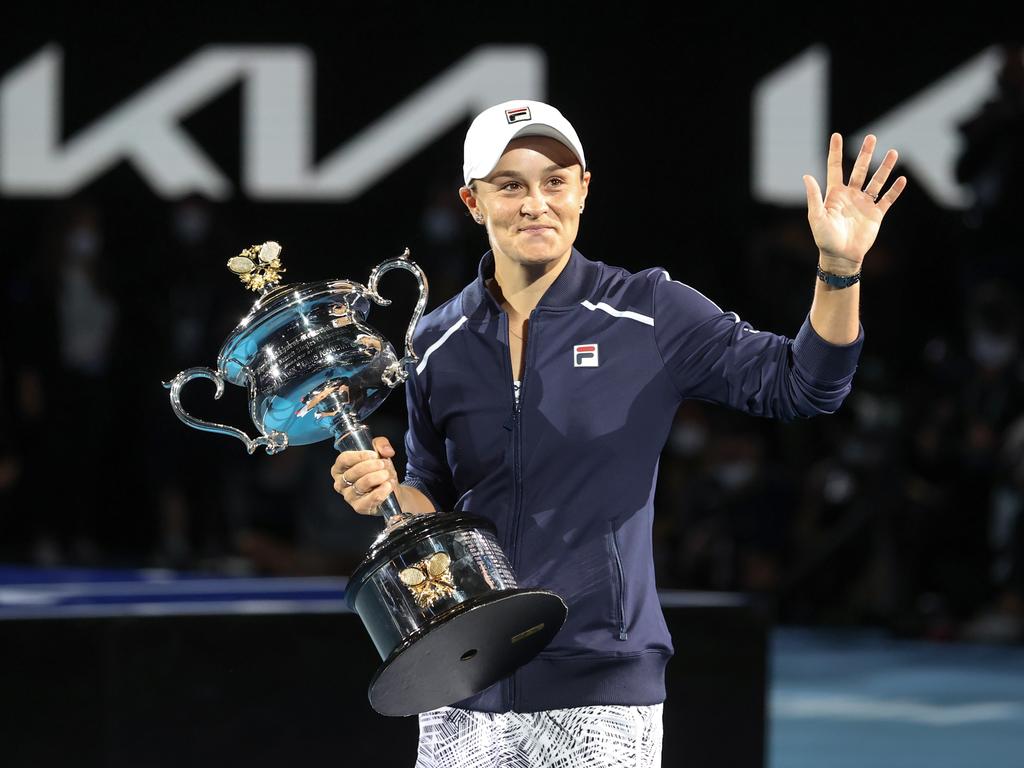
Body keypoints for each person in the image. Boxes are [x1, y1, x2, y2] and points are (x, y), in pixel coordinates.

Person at [330, 99, 906, 767]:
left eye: (555, 181)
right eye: (511, 185)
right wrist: (387, 495)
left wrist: (839, 270)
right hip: (462, 683)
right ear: (473, 201)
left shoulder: (648, 311)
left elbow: (803, 385)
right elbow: (435, 492)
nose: (536, 203)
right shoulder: (435, 341)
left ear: (583, 190)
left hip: (601, 685)